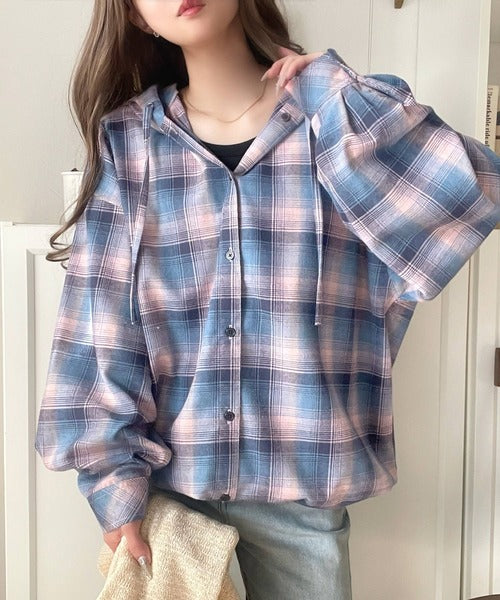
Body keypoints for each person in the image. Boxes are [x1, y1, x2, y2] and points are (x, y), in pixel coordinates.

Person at [34, 1, 500, 599]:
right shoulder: (130, 142)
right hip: (170, 495)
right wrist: (113, 482)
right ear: (137, 17)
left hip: (303, 495)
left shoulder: (335, 123)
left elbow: (469, 197)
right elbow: (101, 325)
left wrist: (338, 94)